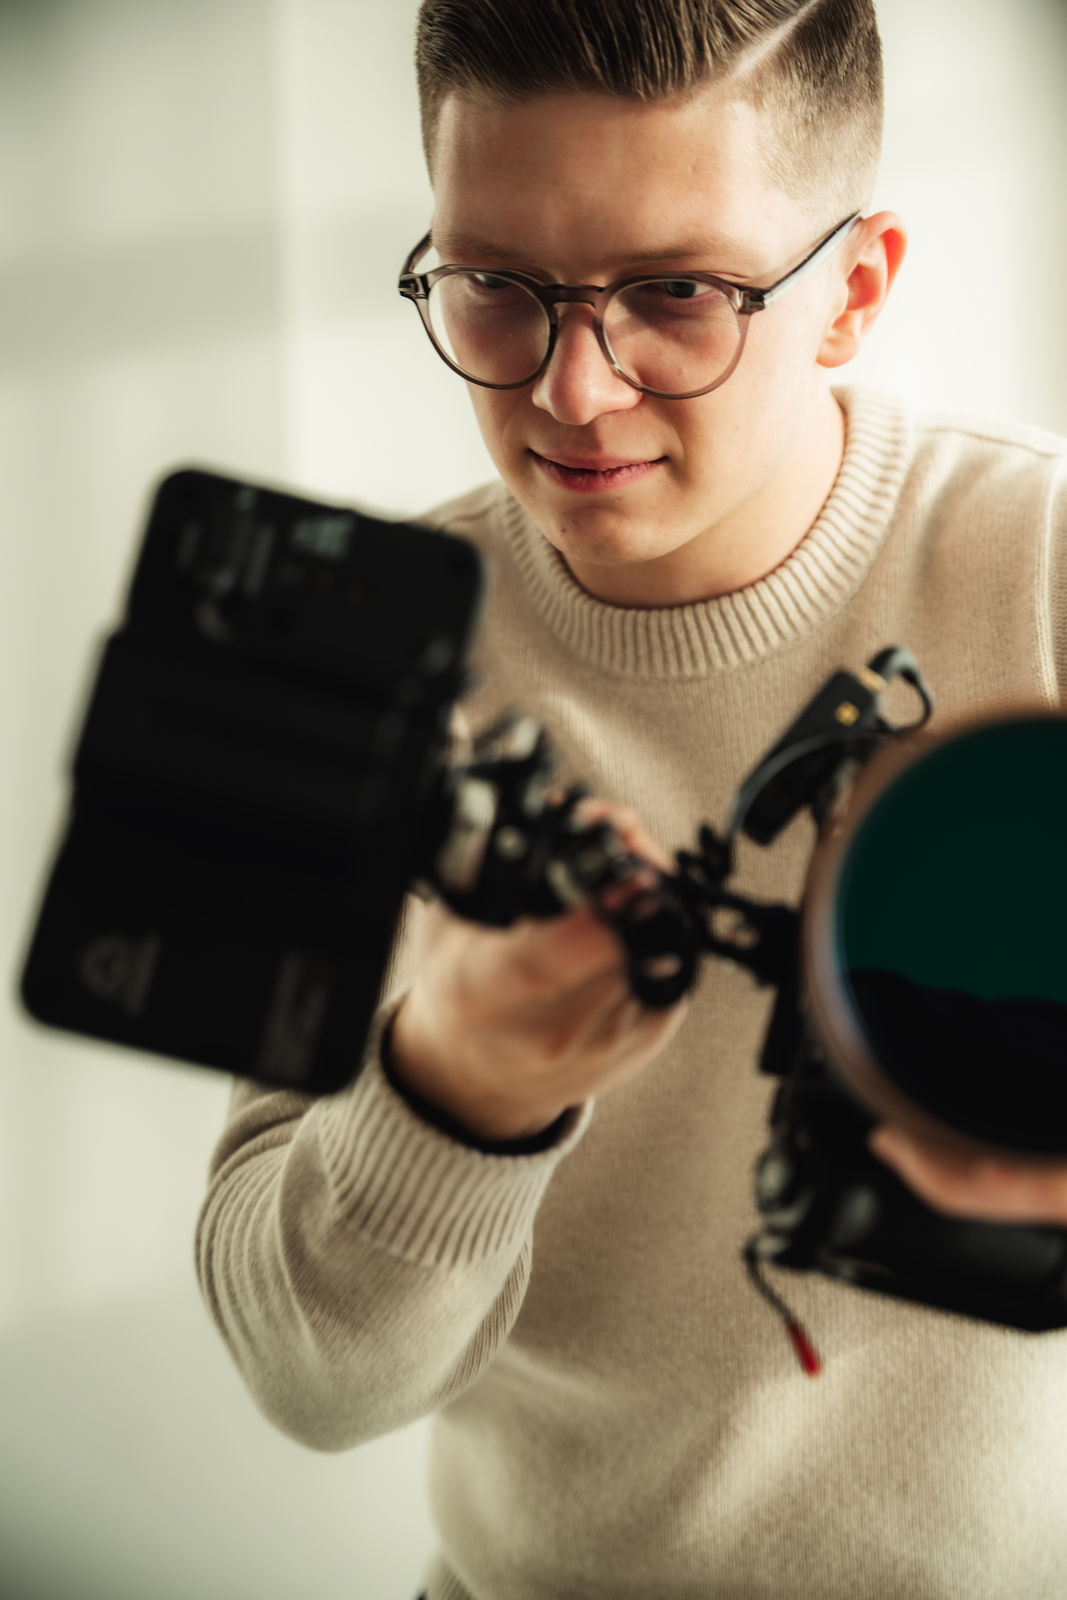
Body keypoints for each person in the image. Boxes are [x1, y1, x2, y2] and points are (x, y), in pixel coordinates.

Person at [195, 2, 1067, 1595]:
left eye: (675, 295)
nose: (575, 393)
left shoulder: (1049, 569)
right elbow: (304, 1384)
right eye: (494, 290)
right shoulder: (355, 657)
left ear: (854, 292)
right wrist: (451, 1095)